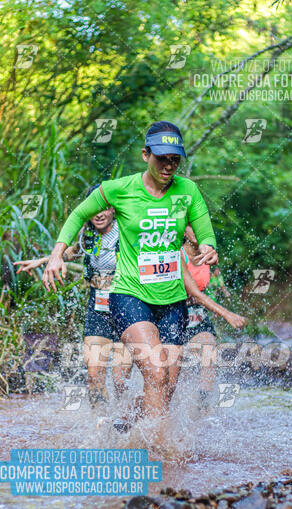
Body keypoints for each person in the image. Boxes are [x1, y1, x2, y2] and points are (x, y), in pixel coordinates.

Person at [41, 121, 218, 433]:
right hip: (129, 295)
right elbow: (78, 214)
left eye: (175, 159)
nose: (169, 165)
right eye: (162, 158)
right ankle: (153, 451)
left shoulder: (188, 191)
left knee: (167, 386)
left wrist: (208, 247)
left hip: (172, 301)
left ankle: (133, 430)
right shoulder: (118, 189)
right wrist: (57, 253)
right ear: (145, 155)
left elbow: (204, 233)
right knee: (157, 372)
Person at [14, 189, 133, 407]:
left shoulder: (126, 231)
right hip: (98, 309)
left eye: (103, 209)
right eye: (93, 209)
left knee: (120, 379)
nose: (98, 214)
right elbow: (71, 252)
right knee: (94, 374)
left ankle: (127, 422)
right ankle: (101, 425)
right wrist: (44, 261)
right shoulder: (90, 235)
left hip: (128, 308)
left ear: (112, 209)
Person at [182, 225, 246, 410]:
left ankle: (203, 405)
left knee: (210, 352)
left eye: (198, 225)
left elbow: (208, 286)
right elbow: (193, 292)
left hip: (199, 316)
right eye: (191, 226)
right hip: (175, 316)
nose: (196, 230)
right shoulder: (178, 254)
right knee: (175, 368)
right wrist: (227, 314)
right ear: (183, 231)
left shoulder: (208, 256)